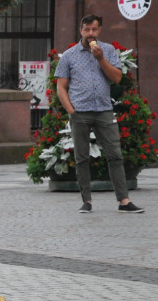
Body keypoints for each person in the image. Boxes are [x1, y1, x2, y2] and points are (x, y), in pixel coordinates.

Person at [55, 14, 144, 214]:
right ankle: (86, 201)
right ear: (81, 31)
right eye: (87, 30)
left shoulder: (109, 51)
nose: (90, 33)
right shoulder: (69, 55)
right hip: (80, 112)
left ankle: (124, 201)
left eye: (94, 29)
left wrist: (101, 58)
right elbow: (61, 87)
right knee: (82, 158)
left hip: (103, 110)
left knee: (115, 156)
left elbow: (117, 78)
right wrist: (71, 110)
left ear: (99, 30)